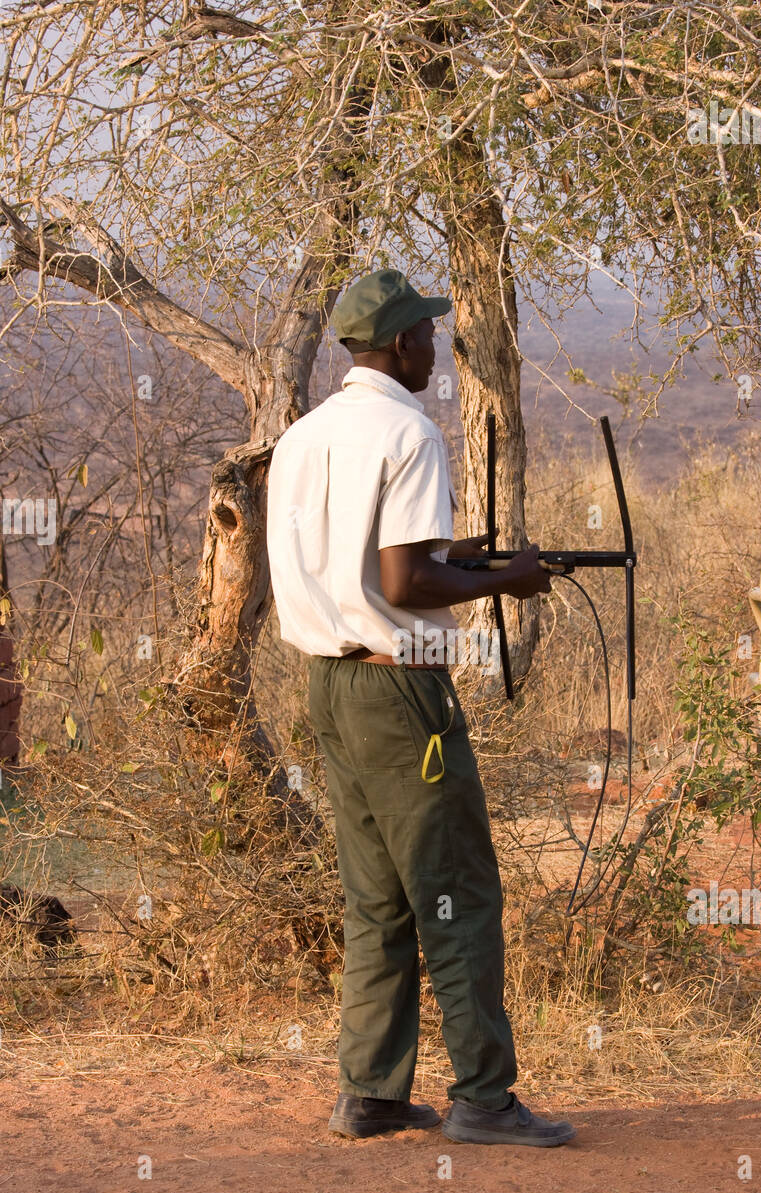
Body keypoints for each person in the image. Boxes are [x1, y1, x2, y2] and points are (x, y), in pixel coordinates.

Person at [267, 268, 576, 1147]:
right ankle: (483, 1097)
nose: (435, 349)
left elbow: (365, 564)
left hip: (333, 686)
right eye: (428, 337)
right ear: (404, 344)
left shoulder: (302, 437)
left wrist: (463, 555)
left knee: (377, 897)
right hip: (404, 692)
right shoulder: (410, 432)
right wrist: (507, 580)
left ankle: (370, 1093)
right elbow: (404, 581)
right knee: (459, 892)